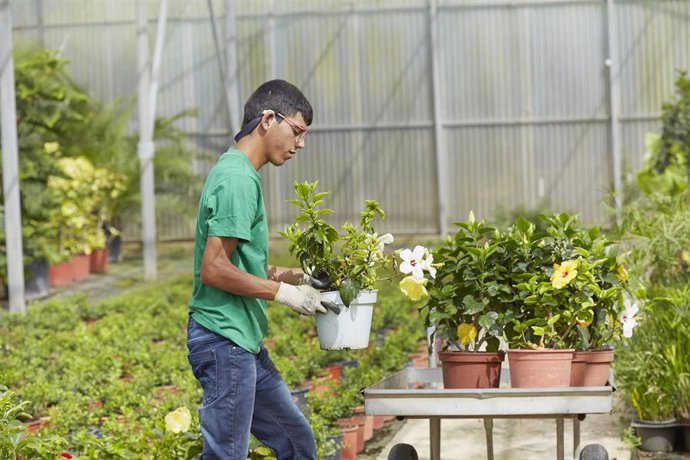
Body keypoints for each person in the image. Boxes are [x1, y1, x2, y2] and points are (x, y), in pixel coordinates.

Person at [187, 79, 334, 459]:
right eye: (298, 131)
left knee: (296, 441)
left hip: (242, 343)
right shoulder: (237, 178)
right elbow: (215, 270)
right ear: (269, 119)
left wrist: (296, 276)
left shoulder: (242, 174)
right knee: (226, 454)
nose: (300, 144)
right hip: (224, 341)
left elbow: (241, 263)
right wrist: (284, 295)